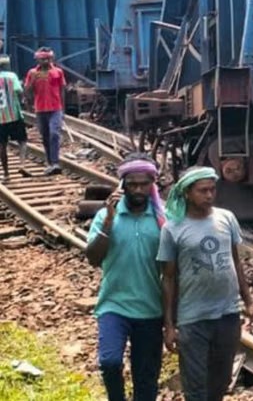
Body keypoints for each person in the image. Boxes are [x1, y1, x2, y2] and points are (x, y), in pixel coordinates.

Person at [159, 166, 253, 401]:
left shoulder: (227, 218)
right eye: (202, 191)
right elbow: (169, 278)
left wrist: (249, 302)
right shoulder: (172, 229)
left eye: (212, 190)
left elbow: (236, 262)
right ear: (186, 193)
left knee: (221, 381)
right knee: (195, 387)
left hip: (228, 313)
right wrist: (170, 325)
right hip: (193, 317)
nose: (209, 195)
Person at [86, 154, 168, 401]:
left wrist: (172, 317)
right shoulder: (105, 217)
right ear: (122, 185)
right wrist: (109, 221)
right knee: (110, 362)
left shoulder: (162, 220)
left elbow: (172, 271)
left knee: (146, 378)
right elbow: (93, 258)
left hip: (151, 309)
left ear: (152, 184)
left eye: (145, 184)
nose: (139, 189)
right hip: (114, 305)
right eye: (132, 184)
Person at [23, 47, 66, 175]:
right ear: (38, 60)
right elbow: (27, 92)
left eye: (48, 59)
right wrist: (32, 81)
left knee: (54, 134)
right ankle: (50, 162)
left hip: (55, 108)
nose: (46, 61)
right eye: (43, 59)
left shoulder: (58, 72)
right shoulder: (32, 73)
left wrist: (63, 108)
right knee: (45, 136)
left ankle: (55, 162)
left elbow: (62, 89)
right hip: (40, 109)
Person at [0, 55, 29, 179]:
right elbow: (19, 91)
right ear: (7, 65)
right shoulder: (12, 76)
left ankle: (6, 173)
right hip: (14, 115)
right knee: (22, 141)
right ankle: (22, 164)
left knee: (2, 145)